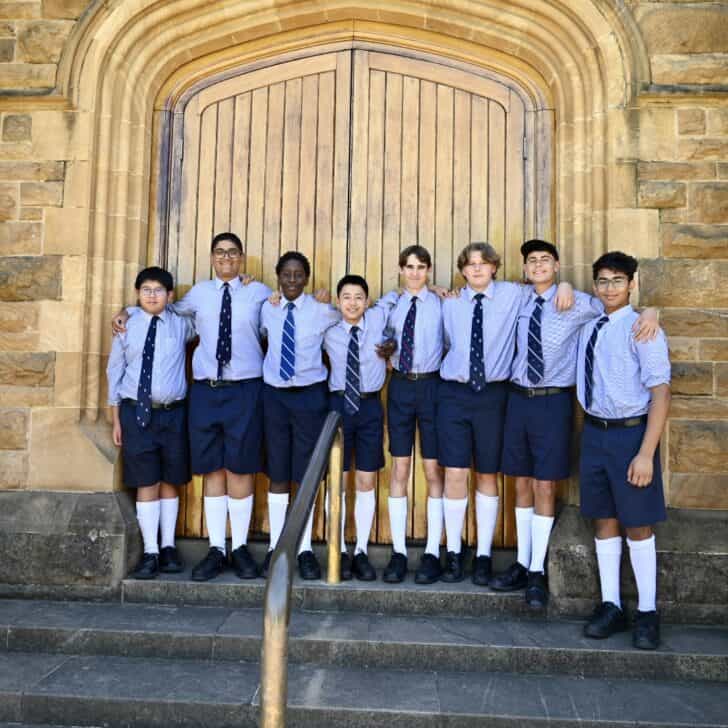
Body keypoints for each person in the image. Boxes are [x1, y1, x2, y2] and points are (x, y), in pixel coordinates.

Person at [492, 240, 658, 608]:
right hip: (518, 397)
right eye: (531, 261)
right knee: (521, 482)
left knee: (545, 484)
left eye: (545, 260)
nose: (538, 265)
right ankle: (523, 562)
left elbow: (618, 309)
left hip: (553, 401)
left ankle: (537, 571)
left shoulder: (581, 302)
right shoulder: (518, 298)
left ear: (557, 265)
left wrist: (652, 312)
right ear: (525, 269)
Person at [113, 233, 272, 582]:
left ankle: (239, 547)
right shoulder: (197, 294)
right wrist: (126, 311)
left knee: (240, 468)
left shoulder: (259, 292)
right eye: (220, 252)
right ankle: (216, 549)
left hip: (246, 390)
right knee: (213, 468)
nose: (226, 258)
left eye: (232, 253)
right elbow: (159, 308)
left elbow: (279, 315)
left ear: (241, 257)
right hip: (205, 391)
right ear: (212, 257)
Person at [437, 242, 574, 584]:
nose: (477, 269)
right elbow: (435, 333)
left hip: (495, 395)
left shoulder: (515, 294)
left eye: (484, 263)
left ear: (495, 267)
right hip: (454, 393)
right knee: (454, 473)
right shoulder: (449, 302)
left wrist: (567, 285)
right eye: (470, 264)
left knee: (488, 474)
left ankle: (484, 555)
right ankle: (453, 552)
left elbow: (546, 287)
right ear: (462, 270)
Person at [577, 251, 670, 650]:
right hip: (594, 432)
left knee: (638, 523)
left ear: (632, 284)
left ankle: (647, 612)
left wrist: (646, 453)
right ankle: (611, 605)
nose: (609, 288)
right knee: (604, 520)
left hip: (630, 436)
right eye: (603, 280)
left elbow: (661, 393)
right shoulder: (589, 325)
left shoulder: (643, 329)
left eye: (617, 280)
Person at [107, 266, 195, 579]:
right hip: (136, 412)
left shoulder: (182, 324)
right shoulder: (126, 326)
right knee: (147, 480)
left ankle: (168, 546)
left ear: (170, 295)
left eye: (159, 290)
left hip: (173, 412)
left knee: (170, 478)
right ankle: (151, 550)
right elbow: (114, 373)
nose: (152, 295)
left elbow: (210, 315)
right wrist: (116, 420)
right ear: (138, 293)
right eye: (146, 290)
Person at [260, 251, 341, 580]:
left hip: (310, 396)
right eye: (286, 274)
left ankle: (304, 547)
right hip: (275, 396)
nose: (292, 280)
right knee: (278, 471)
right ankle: (276, 546)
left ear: (306, 278)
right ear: (278, 277)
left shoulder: (323, 311)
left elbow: (355, 315)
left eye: (298, 275)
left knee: (306, 472)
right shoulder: (267, 307)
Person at [379, 245, 445, 584]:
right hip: (401, 386)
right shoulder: (390, 304)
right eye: (409, 267)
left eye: (421, 267)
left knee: (433, 469)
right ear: (401, 269)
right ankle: (399, 552)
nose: (415, 273)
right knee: (400, 467)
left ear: (429, 270)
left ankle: (433, 551)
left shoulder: (443, 303)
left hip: (432, 385)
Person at [323, 274, 390, 581]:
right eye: (346, 297)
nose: (352, 303)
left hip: (369, 406)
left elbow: (403, 296)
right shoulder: (328, 328)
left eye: (359, 297)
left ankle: (360, 550)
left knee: (366, 480)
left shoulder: (378, 320)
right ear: (338, 301)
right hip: (338, 407)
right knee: (338, 480)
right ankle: (337, 549)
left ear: (368, 301)